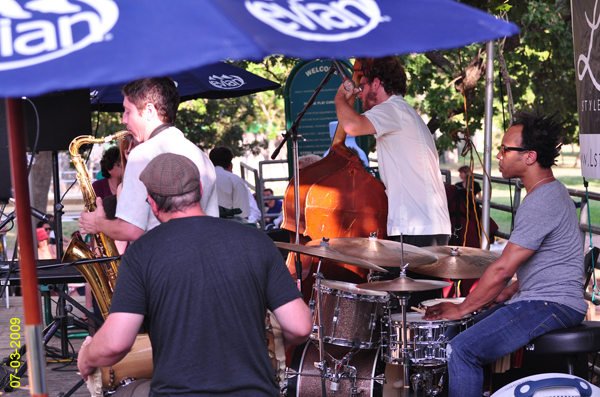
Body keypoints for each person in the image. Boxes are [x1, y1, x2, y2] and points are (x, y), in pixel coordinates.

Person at [77, 153, 312, 396]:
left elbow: (116, 343)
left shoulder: (142, 252)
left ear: (152, 203)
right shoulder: (256, 241)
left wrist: (86, 356)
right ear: (199, 190)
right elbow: (300, 327)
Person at [424, 111, 587, 397]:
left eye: (504, 149)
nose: (498, 156)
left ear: (529, 156)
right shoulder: (546, 192)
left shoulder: (542, 199)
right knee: (455, 333)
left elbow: (502, 268)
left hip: (552, 304)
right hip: (540, 298)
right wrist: (507, 293)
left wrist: (463, 307)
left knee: (462, 350)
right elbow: (550, 261)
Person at [78, 77, 219, 242]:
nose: (124, 119)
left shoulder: (141, 155)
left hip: (162, 261)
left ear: (149, 111)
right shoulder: (201, 155)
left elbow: (131, 230)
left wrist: (98, 223)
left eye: (128, 111)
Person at [335, 57, 451, 248]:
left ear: (377, 84)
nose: (359, 94)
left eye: (362, 86)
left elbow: (351, 126)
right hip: (427, 226)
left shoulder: (392, 109)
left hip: (416, 227)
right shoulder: (402, 111)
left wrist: (339, 98)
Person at [209, 146, 251, 220]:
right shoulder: (235, 180)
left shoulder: (199, 178)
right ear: (230, 165)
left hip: (202, 226)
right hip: (228, 227)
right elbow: (242, 215)